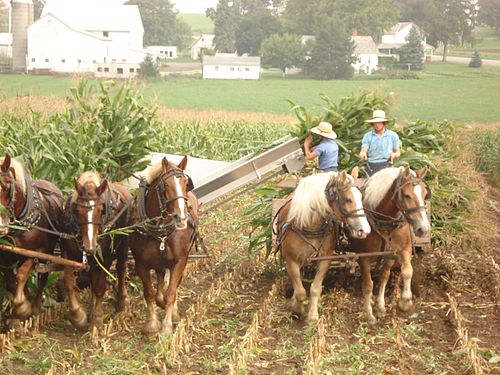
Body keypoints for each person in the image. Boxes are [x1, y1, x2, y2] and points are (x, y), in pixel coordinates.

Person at [359, 109, 400, 176]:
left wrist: (394, 155)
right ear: (373, 124)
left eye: (379, 123)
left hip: (386, 163)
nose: (377, 125)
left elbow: (398, 152)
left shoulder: (393, 135)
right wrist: (363, 154)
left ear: (383, 123)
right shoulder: (368, 136)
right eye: (375, 123)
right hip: (372, 164)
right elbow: (364, 149)